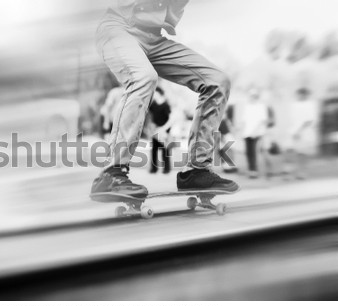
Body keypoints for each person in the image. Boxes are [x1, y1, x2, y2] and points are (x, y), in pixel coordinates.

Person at [90, 0, 239, 202]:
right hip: (118, 28)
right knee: (143, 77)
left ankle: (197, 171)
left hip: (155, 39)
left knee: (218, 81)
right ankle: (111, 172)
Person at [284, 88, 319, 179]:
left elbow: (309, 120)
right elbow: (291, 119)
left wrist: (298, 131)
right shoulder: (294, 105)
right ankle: (288, 172)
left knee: (302, 153)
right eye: (299, 94)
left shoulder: (310, 105)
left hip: (304, 132)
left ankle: (301, 173)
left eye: (303, 94)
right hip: (293, 132)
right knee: (289, 151)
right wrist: (292, 131)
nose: (301, 96)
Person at [241, 89, 271, 179]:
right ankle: (251, 170)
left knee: (255, 152)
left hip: (257, 133)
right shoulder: (247, 106)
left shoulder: (261, 107)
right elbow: (244, 121)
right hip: (247, 133)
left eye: (254, 96)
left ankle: (256, 170)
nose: (252, 98)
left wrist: (255, 131)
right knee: (248, 152)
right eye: (251, 96)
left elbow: (263, 120)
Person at [147, 86, 173, 174]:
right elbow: (149, 116)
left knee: (165, 150)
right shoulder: (153, 105)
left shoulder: (166, 105)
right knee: (154, 150)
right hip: (155, 130)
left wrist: (164, 129)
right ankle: (153, 168)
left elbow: (171, 119)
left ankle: (166, 169)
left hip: (164, 131)